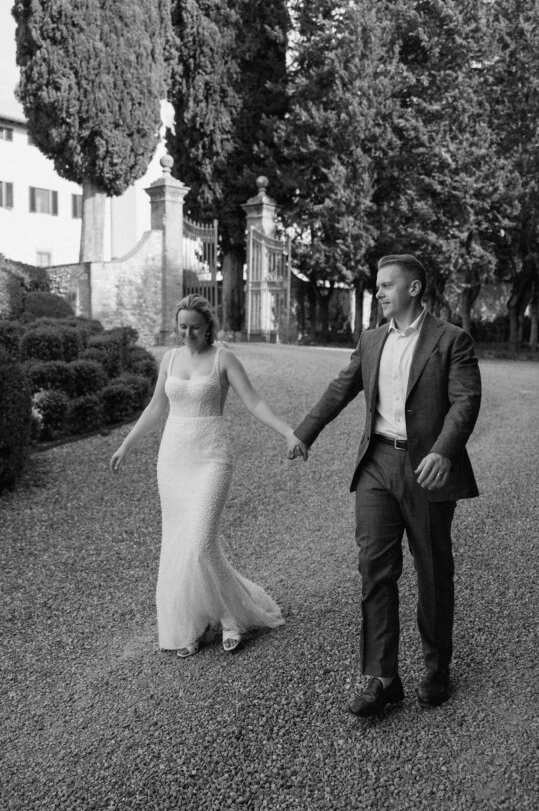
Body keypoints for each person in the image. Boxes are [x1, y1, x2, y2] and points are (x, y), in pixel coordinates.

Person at [289, 254, 481, 716]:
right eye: (378, 286)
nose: (379, 293)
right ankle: (382, 677)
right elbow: (341, 387)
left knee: (433, 570)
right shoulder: (371, 340)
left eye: (386, 285)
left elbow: (465, 401)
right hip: (376, 463)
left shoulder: (451, 340)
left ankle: (436, 667)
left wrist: (443, 450)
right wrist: (304, 432)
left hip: (427, 468)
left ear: (413, 289)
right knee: (375, 570)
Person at [110, 294, 298, 658]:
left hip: (211, 458)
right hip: (173, 460)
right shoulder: (170, 358)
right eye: (182, 327)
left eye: (195, 326)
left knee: (201, 543)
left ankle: (231, 616)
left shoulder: (224, 359)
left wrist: (288, 431)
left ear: (208, 326)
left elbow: (254, 402)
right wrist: (127, 444)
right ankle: (194, 622)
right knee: (180, 545)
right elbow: (155, 407)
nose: (188, 333)